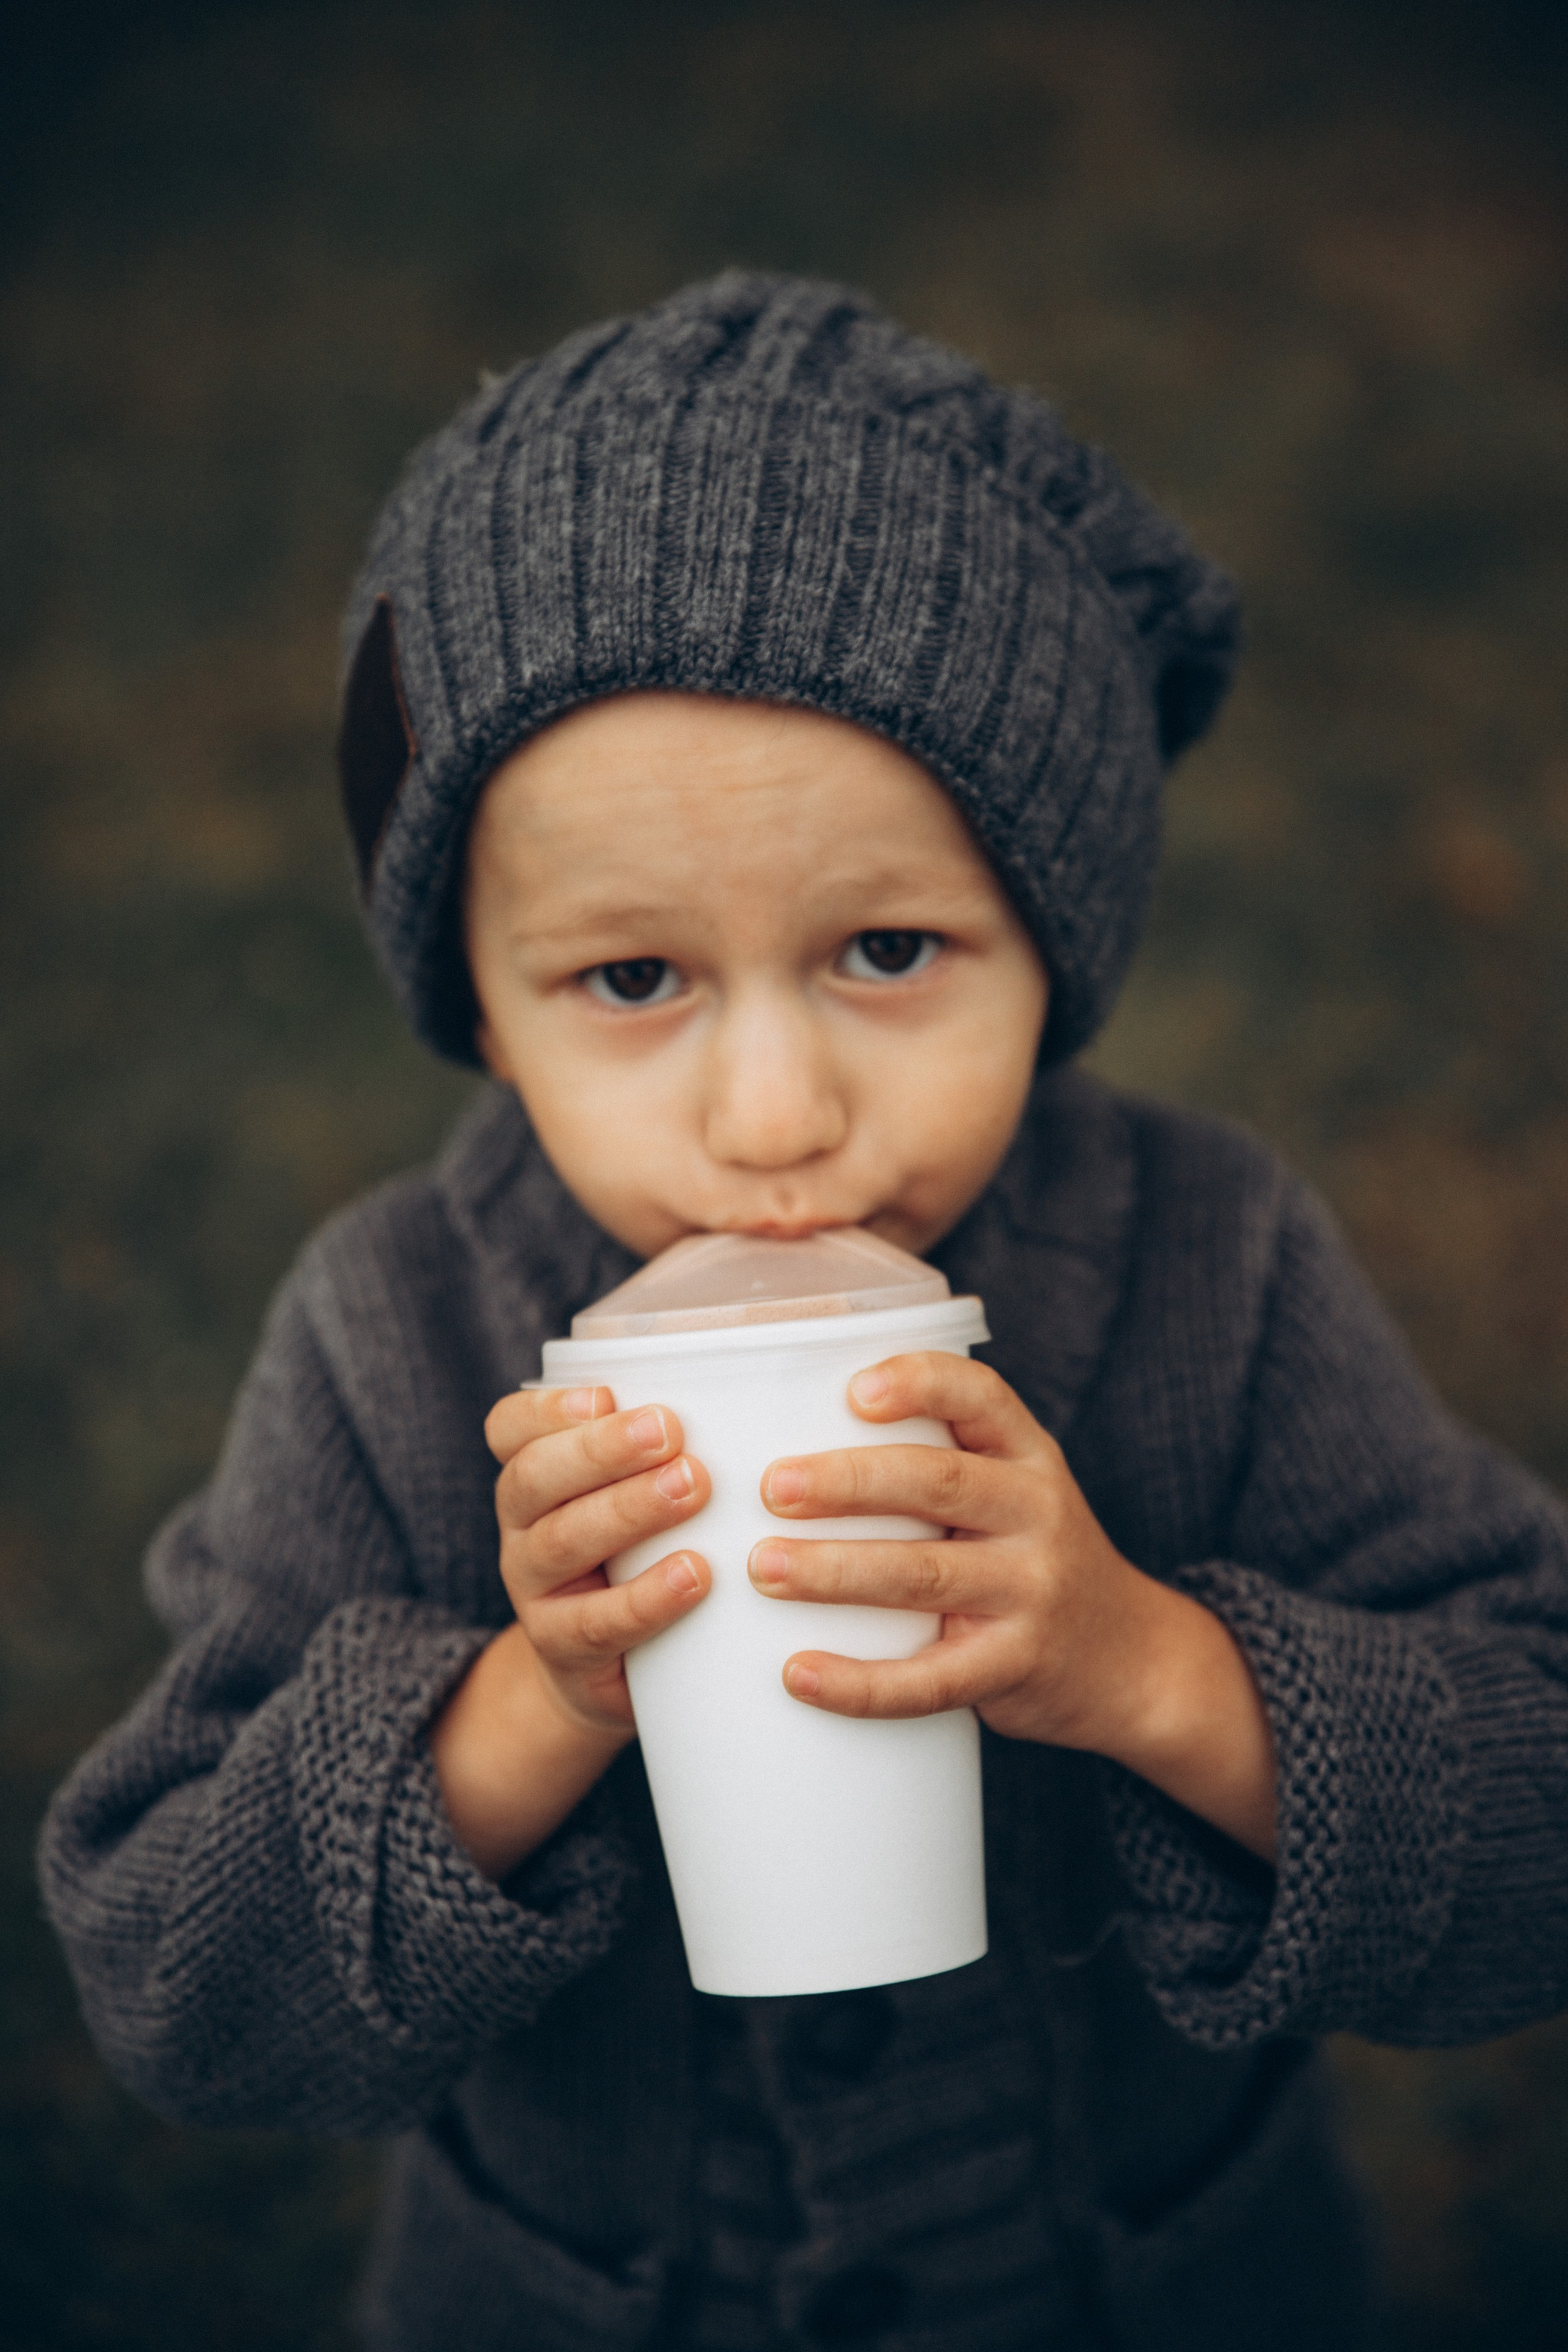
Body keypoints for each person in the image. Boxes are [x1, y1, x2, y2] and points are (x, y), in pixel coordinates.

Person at [39, 273, 1568, 2352]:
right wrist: (534, 1707)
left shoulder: (1218, 1263)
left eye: (887, 947)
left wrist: (1151, 1668)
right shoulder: (393, 1334)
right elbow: (174, 1987)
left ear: (1059, 946)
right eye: (633, 980)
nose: (778, 1117)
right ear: (478, 1010)